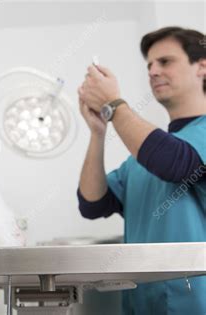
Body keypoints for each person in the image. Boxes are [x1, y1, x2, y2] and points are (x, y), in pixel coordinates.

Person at [77, 26, 206, 314]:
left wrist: (114, 104)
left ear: (202, 67)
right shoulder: (141, 158)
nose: (153, 71)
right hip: (141, 306)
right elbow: (92, 204)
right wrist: (98, 132)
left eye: (165, 62)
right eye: (149, 65)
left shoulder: (180, 145)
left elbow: (175, 163)